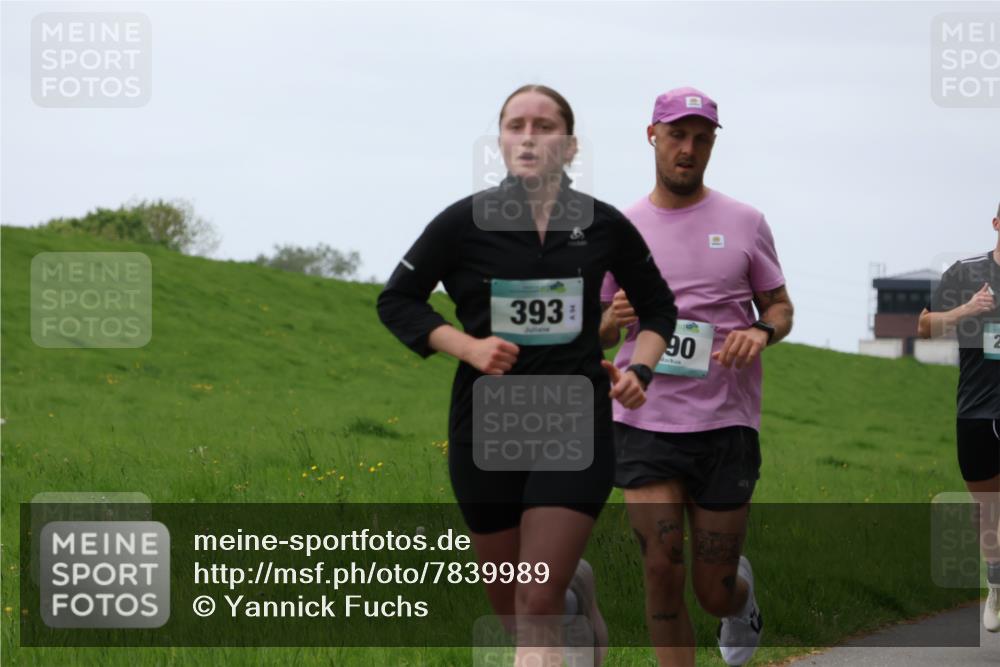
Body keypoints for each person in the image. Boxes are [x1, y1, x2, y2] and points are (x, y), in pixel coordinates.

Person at [377, 84, 677, 665]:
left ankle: (559, 598)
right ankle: (577, 594)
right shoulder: (464, 224)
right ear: (501, 141)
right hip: (486, 428)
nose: (530, 136)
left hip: (575, 425)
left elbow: (659, 306)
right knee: (513, 611)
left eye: (545, 126)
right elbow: (398, 300)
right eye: (517, 126)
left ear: (569, 147)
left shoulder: (604, 225)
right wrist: (468, 347)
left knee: (535, 605)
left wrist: (640, 367)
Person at [598, 87, 793, 666]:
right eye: (677, 136)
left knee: (712, 591)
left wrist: (761, 331)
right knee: (661, 569)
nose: (688, 149)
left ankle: (741, 595)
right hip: (644, 420)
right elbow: (599, 335)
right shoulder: (619, 228)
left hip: (725, 425)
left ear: (712, 144)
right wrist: (610, 320)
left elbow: (780, 306)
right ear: (651, 135)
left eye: (701, 139)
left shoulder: (745, 222)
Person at [918, 203, 1000, 633]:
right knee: (987, 510)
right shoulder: (966, 272)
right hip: (976, 410)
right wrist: (967, 310)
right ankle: (996, 581)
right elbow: (925, 327)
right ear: (996, 223)